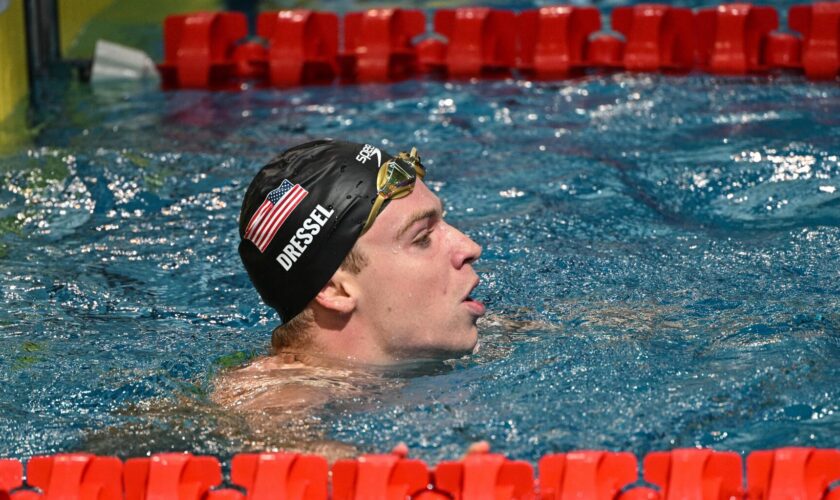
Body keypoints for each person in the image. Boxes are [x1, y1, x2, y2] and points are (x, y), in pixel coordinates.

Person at [238, 139, 486, 366]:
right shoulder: (276, 411)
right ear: (335, 290)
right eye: (422, 238)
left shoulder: (498, 337)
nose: (470, 248)